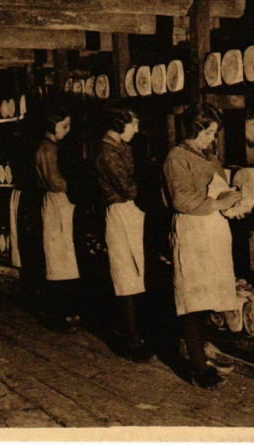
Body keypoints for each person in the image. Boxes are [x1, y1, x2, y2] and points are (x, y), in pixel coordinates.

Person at [162, 103, 242, 389]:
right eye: (208, 133)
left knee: (208, 297)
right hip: (193, 230)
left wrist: (234, 203)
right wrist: (219, 203)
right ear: (193, 130)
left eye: (214, 133)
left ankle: (203, 355)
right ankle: (197, 368)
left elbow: (220, 190)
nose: (212, 138)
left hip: (213, 230)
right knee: (193, 299)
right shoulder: (176, 158)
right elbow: (180, 199)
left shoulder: (209, 156)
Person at [94, 107, 153, 362]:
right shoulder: (107, 152)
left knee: (135, 274)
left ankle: (132, 331)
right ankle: (130, 339)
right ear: (120, 123)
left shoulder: (119, 146)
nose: (137, 130)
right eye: (134, 124)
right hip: (120, 212)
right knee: (126, 275)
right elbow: (127, 188)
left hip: (130, 212)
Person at [35, 106, 81, 332]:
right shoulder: (48, 149)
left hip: (56, 203)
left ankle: (64, 311)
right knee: (58, 259)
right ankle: (57, 314)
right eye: (64, 126)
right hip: (56, 202)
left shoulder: (49, 147)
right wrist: (74, 184)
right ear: (53, 124)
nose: (67, 130)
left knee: (61, 258)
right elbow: (55, 182)